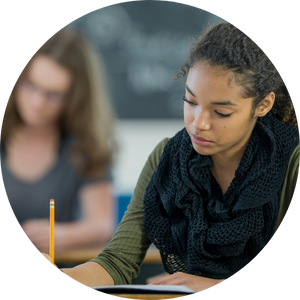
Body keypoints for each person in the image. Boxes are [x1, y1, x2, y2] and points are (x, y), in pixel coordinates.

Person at [39, 20, 300, 295]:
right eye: (191, 101)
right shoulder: (166, 158)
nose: (198, 123)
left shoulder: (292, 161)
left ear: (263, 105)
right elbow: (116, 262)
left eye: (221, 112)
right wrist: (59, 273)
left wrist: (217, 285)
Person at [1, 27, 117, 253]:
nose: (37, 103)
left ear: (75, 98)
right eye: (30, 86)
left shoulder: (84, 147)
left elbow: (102, 225)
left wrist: (59, 235)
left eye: (53, 95)